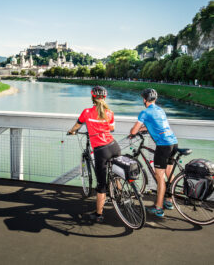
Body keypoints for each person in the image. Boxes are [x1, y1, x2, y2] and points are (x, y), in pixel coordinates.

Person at [68, 86, 121, 223]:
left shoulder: (86, 112)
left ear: (92, 97)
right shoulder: (109, 112)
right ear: (105, 97)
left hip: (101, 150)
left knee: (101, 185)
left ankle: (99, 214)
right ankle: (120, 195)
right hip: (114, 146)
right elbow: (112, 128)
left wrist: (71, 131)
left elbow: (77, 126)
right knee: (116, 174)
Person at [130, 88, 178, 218]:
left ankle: (158, 208)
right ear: (155, 99)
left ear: (145, 100)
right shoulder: (160, 110)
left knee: (160, 177)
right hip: (173, 143)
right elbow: (156, 125)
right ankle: (169, 201)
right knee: (169, 173)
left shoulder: (144, 113)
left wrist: (133, 132)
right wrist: (145, 128)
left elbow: (134, 131)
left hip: (163, 146)